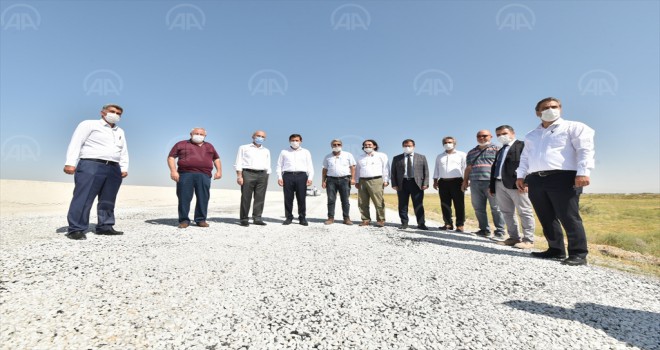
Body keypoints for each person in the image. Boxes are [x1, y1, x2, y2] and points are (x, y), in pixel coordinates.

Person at [516, 97, 595, 266]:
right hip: (536, 178)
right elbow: (525, 157)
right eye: (546, 107)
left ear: (560, 108)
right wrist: (520, 176)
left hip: (564, 177)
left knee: (568, 216)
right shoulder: (531, 135)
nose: (551, 109)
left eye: (555, 106)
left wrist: (583, 172)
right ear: (538, 112)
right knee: (546, 216)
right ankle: (555, 249)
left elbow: (585, 150)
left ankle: (578, 253)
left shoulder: (574, 127)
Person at [63, 104, 129, 240]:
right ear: (102, 112)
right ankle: (76, 228)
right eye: (112, 111)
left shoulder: (120, 131)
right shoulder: (89, 124)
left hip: (113, 167)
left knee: (108, 199)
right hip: (91, 164)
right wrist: (70, 162)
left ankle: (105, 226)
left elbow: (123, 151)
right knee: (84, 197)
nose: (115, 114)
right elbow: (76, 142)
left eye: (119, 113)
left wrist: (123, 167)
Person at [489, 125, 535, 249]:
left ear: (513, 133)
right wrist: (492, 186)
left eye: (504, 133)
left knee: (524, 211)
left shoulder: (522, 146)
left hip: (517, 184)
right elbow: (496, 168)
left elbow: (529, 163)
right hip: (500, 184)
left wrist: (526, 182)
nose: (501, 136)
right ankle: (513, 237)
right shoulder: (501, 150)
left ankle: (528, 240)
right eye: (498, 135)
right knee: (507, 212)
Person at [168, 128, 222, 228]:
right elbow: (171, 157)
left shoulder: (209, 146)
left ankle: (201, 220)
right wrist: (173, 171)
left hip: (204, 175)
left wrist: (219, 171)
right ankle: (184, 220)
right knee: (184, 197)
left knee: (203, 198)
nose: (199, 135)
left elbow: (216, 158)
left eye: (201, 134)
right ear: (191, 134)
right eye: (196, 133)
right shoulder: (181, 144)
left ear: (205, 136)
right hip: (185, 174)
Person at [462, 130, 506, 238]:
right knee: (478, 208)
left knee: (496, 208)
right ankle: (484, 230)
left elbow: (503, 166)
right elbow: (468, 168)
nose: (481, 138)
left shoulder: (498, 149)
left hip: (491, 183)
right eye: (479, 136)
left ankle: (500, 231)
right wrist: (465, 181)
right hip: (475, 183)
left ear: (490, 136)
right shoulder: (471, 152)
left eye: (484, 136)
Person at [390, 139, 429, 230]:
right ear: (403, 146)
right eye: (405, 146)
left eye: (409, 146)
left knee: (418, 204)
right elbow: (393, 172)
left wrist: (425, 183)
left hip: (417, 183)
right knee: (402, 204)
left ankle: (421, 223)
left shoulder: (421, 157)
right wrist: (394, 184)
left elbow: (426, 171)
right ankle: (404, 223)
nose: (407, 147)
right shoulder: (397, 158)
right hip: (402, 183)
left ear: (413, 146)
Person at [235, 130, 271, 226]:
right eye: (258, 135)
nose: (260, 138)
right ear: (253, 136)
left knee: (260, 197)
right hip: (248, 173)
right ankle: (244, 219)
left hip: (262, 174)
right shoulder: (244, 147)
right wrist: (239, 176)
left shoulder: (266, 150)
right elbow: (238, 162)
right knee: (246, 197)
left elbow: (268, 164)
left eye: (262, 136)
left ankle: (257, 218)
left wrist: (267, 174)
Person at [276, 134, 314, 226]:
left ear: (301, 141)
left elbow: (310, 165)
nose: (295, 142)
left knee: (301, 198)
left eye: (297, 140)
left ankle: (302, 217)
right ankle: (289, 217)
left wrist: (310, 177)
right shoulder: (284, 152)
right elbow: (279, 165)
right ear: (289, 141)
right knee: (288, 198)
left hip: (302, 175)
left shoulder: (306, 152)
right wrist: (279, 177)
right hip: (287, 176)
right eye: (293, 140)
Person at [433, 136, 467, 232]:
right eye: (446, 142)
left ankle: (460, 225)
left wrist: (466, 181)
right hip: (443, 182)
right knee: (445, 204)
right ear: (443, 144)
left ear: (454, 143)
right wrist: (435, 181)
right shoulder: (439, 156)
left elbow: (465, 168)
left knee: (459, 204)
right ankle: (448, 224)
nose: (448, 144)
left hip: (457, 182)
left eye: (450, 142)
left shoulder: (462, 154)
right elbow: (436, 169)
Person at [355, 139, 390, 227]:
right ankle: (365, 219)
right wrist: (357, 181)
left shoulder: (381, 155)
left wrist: (386, 180)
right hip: (362, 181)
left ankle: (380, 220)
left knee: (378, 201)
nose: (367, 146)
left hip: (376, 180)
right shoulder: (360, 157)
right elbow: (357, 170)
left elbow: (385, 169)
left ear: (374, 146)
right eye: (365, 145)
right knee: (362, 202)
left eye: (369, 145)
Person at [321, 139, 356, 225]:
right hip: (331, 180)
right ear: (331, 146)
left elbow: (353, 167)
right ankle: (330, 218)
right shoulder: (327, 157)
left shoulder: (348, 155)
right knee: (331, 199)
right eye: (334, 144)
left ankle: (346, 218)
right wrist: (323, 181)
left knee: (345, 200)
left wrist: (353, 179)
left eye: (338, 144)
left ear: (341, 145)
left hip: (345, 180)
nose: (336, 146)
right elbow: (324, 170)